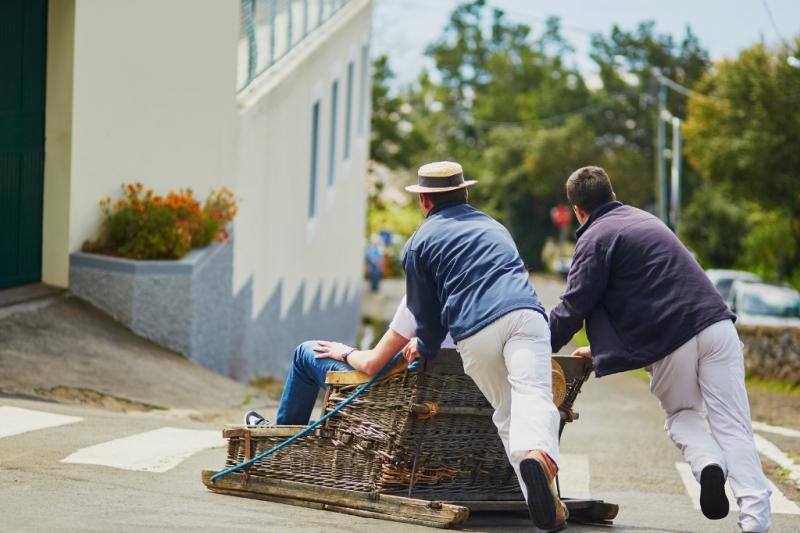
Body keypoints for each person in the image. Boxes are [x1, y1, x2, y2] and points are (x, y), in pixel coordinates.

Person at [549, 166, 771, 533]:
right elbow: (649, 289)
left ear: (576, 210)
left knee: (683, 415)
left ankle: (708, 465)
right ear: (613, 195)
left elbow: (573, 307)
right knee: (735, 427)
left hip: (673, 342)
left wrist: (534, 348)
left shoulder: (594, 238)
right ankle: (756, 522)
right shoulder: (645, 221)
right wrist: (600, 348)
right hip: (717, 326)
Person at [401, 161, 565, 531]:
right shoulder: (495, 227)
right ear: (466, 193)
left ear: (425, 200)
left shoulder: (417, 245)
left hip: (475, 334)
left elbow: (425, 315)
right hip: (522, 314)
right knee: (534, 394)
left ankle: (546, 506)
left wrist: (424, 347)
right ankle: (540, 457)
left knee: (508, 415)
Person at [244, 297, 456, 426]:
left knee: (305, 352)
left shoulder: (419, 297)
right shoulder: (474, 308)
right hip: (442, 404)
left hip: (383, 400)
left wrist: (345, 352)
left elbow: (371, 364)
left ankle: (281, 436)